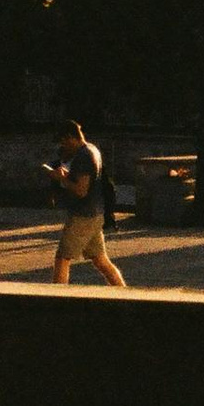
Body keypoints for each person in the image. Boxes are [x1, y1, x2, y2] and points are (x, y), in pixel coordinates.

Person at [48, 121, 127, 292]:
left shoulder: (83, 156)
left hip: (83, 216)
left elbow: (81, 189)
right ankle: (124, 292)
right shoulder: (92, 149)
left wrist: (60, 179)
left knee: (62, 258)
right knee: (101, 260)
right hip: (95, 213)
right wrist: (67, 176)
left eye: (63, 142)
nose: (63, 146)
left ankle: (56, 297)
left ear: (70, 137)